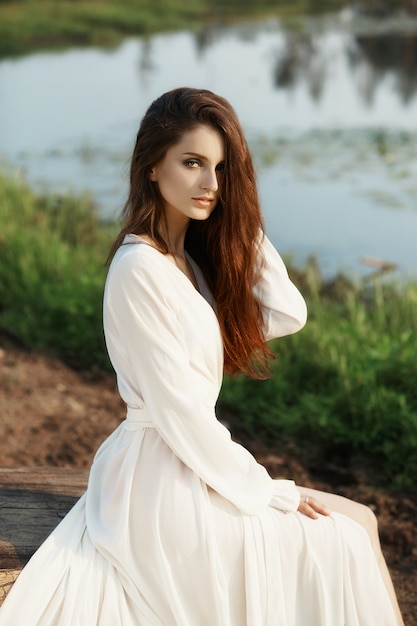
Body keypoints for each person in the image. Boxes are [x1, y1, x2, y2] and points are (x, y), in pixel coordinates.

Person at [0, 87, 403, 625]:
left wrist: (240, 219)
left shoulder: (185, 262)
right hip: (160, 483)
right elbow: (181, 416)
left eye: (220, 168)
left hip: (189, 464)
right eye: (192, 163)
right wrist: (268, 491)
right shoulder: (138, 270)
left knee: (361, 522)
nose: (210, 183)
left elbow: (287, 311)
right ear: (151, 166)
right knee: (349, 530)